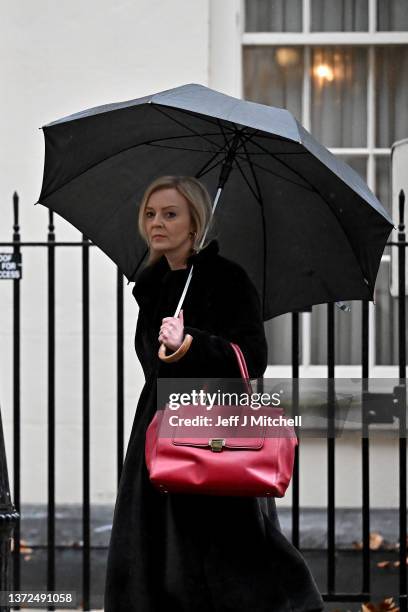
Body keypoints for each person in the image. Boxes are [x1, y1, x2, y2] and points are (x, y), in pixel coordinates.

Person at [104, 175, 325, 611]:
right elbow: (154, 366)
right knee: (156, 547)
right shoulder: (152, 285)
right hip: (160, 423)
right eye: (150, 214)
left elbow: (251, 357)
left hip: (216, 429)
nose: (157, 223)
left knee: (225, 553)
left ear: (194, 224)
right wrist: (166, 351)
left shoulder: (227, 279)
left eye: (170, 214)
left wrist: (192, 344)